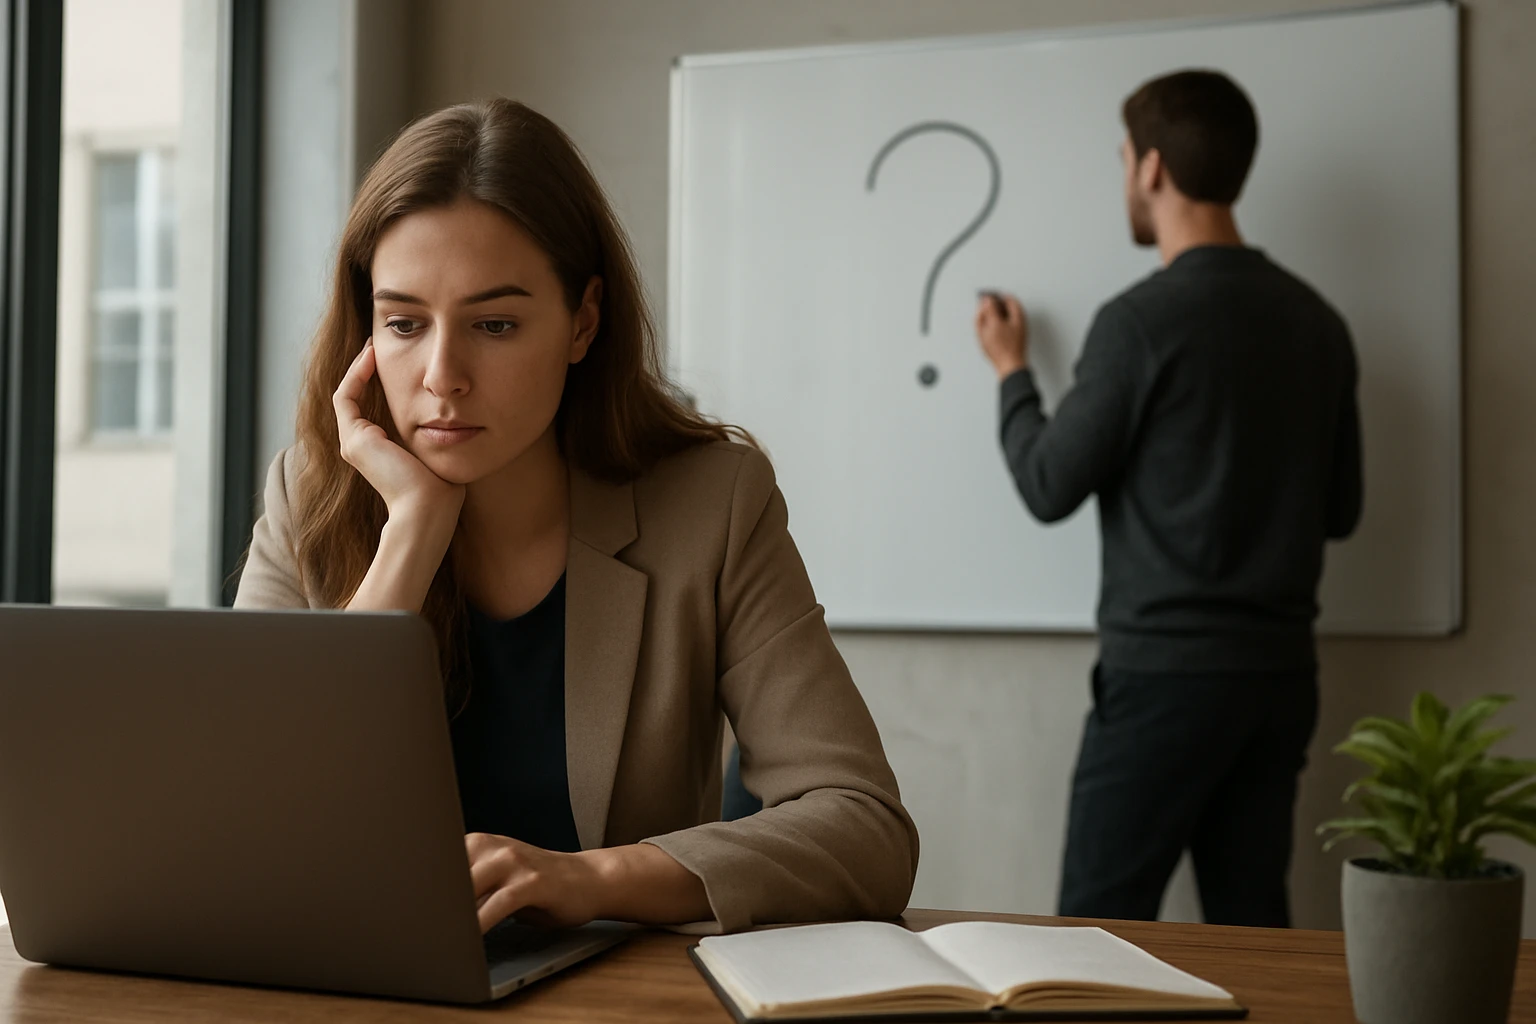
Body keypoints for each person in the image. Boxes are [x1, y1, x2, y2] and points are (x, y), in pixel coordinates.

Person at [234, 97, 918, 935]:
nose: (442, 375)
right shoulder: (307, 497)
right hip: (354, 981)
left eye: (494, 324)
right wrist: (410, 533)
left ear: (582, 322)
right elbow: (245, 821)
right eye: (404, 324)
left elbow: (864, 828)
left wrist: (590, 880)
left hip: (612, 989)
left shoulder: (712, 504)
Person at [973, 70, 1362, 927]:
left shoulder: (1139, 324)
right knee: (1253, 931)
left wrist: (1011, 371)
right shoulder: (1319, 324)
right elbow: (1342, 512)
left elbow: (1047, 483)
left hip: (1163, 682)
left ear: (1151, 167)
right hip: (1279, 679)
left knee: (1096, 928)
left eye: (1122, 158)